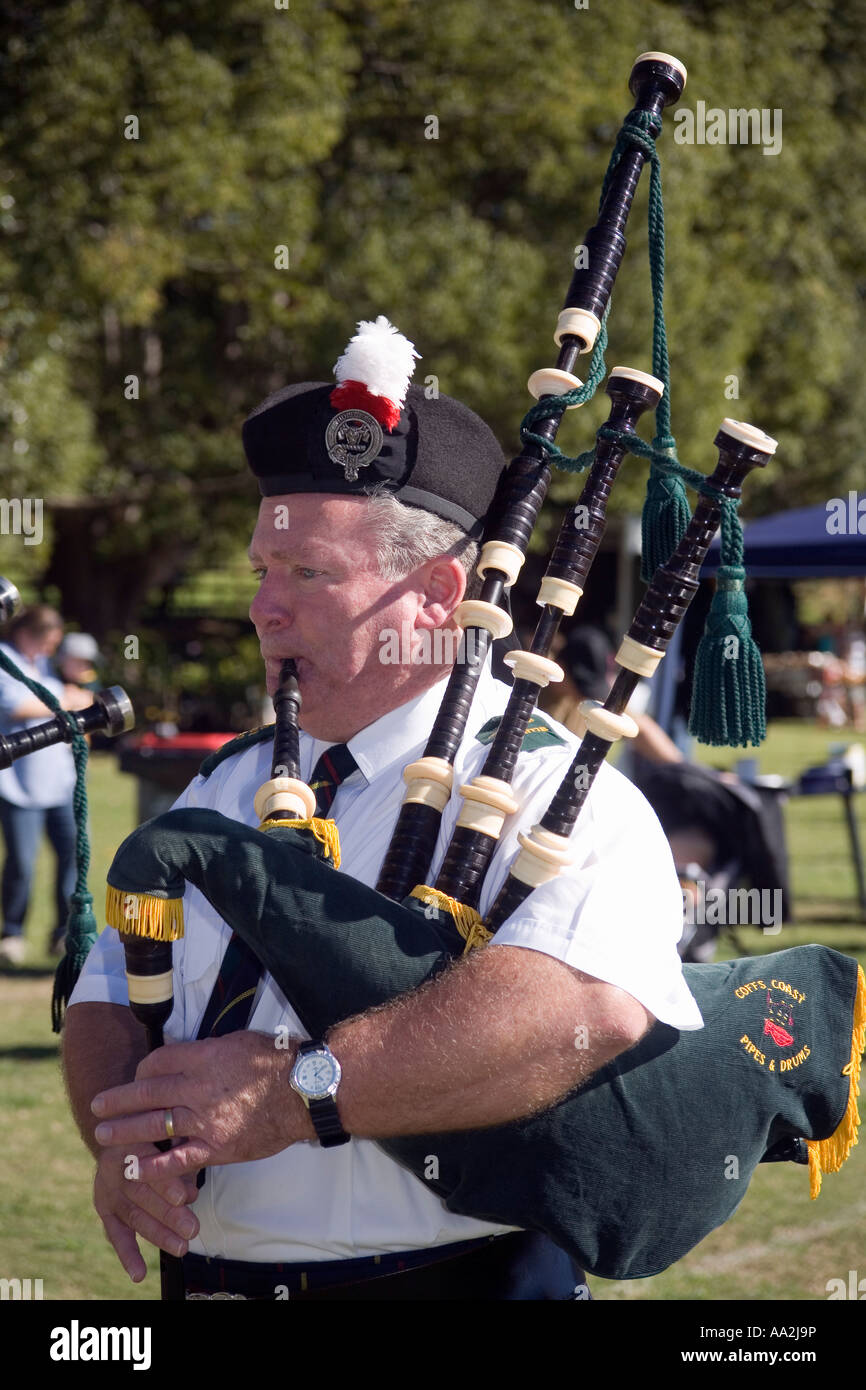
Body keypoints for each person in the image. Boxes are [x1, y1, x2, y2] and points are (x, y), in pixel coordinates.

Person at [62, 317, 702, 1300]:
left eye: (309, 573)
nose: (263, 609)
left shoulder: (551, 789)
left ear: (440, 593)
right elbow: (109, 981)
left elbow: (583, 1007)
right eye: (262, 572)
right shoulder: (224, 783)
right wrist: (122, 1132)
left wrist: (295, 1092)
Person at [0, 606, 91, 963]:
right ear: (31, 633)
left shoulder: (40, 664)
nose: (53, 649)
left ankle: (63, 934)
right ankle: (12, 933)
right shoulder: (6, 660)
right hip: (18, 785)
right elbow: (13, 705)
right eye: (50, 641)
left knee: (72, 856)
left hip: (58, 783)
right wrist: (66, 701)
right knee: (22, 861)